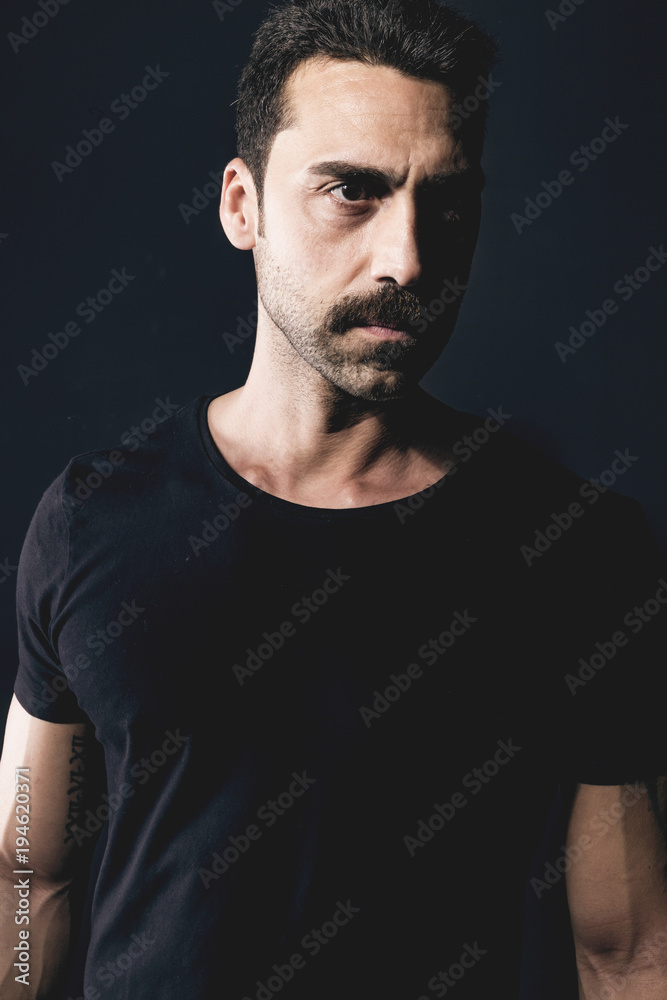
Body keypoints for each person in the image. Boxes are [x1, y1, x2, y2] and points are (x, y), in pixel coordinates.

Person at [1, 1, 666, 997]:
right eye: (351, 191)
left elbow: (626, 951)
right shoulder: (94, 518)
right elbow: (27, 875)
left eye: (444, 202)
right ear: (243, 206)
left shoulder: (573, 547)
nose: (407, 258)